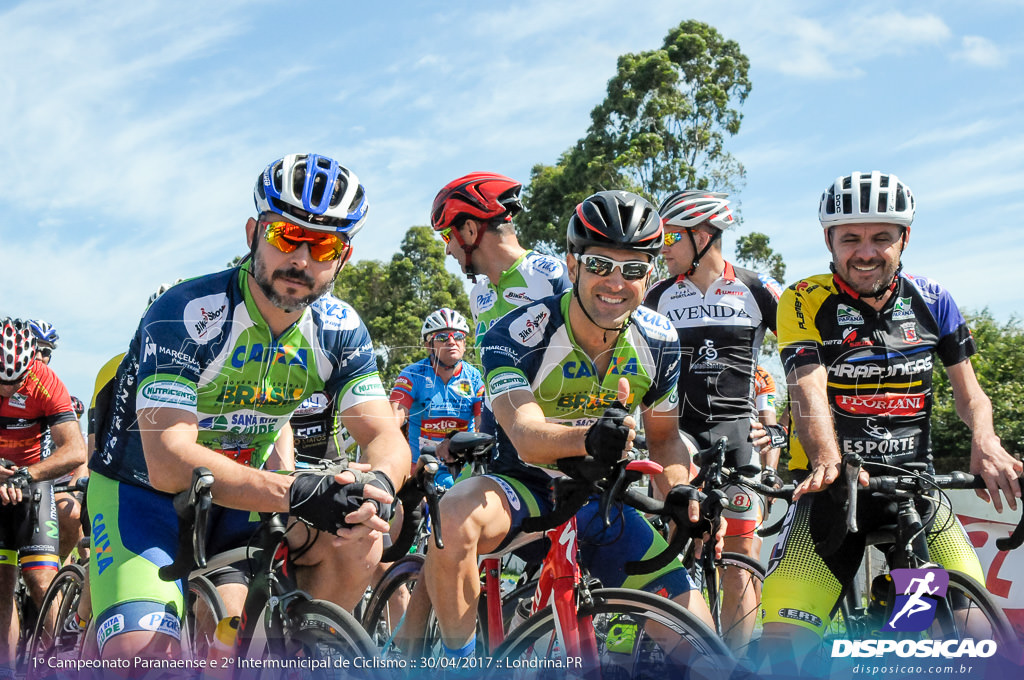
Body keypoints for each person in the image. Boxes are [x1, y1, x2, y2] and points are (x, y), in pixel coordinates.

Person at [87, 153, 410, 662]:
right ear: (252, 233)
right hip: (142, 495)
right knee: (139, 656)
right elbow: (170, 460)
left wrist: (382, 485)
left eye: (323, 244)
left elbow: (382, 434)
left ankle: (300, 662)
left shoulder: (338, 328)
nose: (302, 260)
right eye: (286, 236)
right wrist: (297, 490)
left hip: (236, 498)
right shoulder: (188, 311)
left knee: (356, 543)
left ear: (342, 257)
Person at [422, 190, 719, 661]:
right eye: (600, 264)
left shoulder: (660, 340)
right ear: (572, 263)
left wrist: (680, 491)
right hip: (525, 491)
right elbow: (523, 431)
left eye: (634, 269)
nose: (615, 283)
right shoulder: (518, 332)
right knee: (454, 511)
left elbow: (664, 441)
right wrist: (588, 438)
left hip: (604, 502)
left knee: (710, 659)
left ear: (651, 274)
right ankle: (461, 665)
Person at [758, 171, 1022, 669]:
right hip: (834, 495)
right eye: (850, 238)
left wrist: (985, 440)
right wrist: (828, 460)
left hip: (913, 496)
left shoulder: (933, 298)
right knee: (781, 650)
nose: (865, 252)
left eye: (882, 238)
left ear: (905, 239)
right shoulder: (803, 298)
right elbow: (807, 387)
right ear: (828, 239)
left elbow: (972, 396)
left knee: (970, 632)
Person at [643, 190, 781, 650]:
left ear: (702, 237)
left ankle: (735, 663)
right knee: (682, 540)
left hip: (739, 434)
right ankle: (685, 651)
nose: (662, 248)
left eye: (670, 238)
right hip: (679, 436)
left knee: (743, 550)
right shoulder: (658, 295)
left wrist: (782, 428)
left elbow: (808, 360)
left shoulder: (757, 288)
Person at [0, 318, 87, 674]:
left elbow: (75, 451)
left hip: (32, 481)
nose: (7, 390)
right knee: (2, 585)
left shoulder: (44, 380)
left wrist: (26, 475)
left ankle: (58, 667)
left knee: (41, 583)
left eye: (16, 381)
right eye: (0, 382)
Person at [431, 172, 570, 343]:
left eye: (447, 236)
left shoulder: (555, 277)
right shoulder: (477, 295)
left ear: (470, 230)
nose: (448, 250)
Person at [390, 308, 484, 488]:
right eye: (442, 337)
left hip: (462, 468)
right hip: (420, 467)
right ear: (428, 345)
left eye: (457, 336)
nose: (451, 342)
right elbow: (392, 420)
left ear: (464, 344)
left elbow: (482, 426)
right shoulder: (413, 374)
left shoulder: (475, 378)